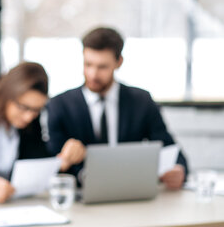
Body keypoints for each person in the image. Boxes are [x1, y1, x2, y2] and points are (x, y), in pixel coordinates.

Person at [46, 27, 188, 190]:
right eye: (88, 64)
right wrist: (65, 159)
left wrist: (178, 169)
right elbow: (51, 163)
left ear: (119, 62)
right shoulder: (60, 104)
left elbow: (169, 146)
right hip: (81, 195)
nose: (93, 74)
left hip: (130, 192)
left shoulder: (141, 101)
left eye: (102, 67)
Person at [0, 62, 86, 203]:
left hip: (13, 207)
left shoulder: (32, 123)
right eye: (23, 107)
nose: (29, 116)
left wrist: (63, 161)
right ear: (5, 96)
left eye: (36, 109)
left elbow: (36, 164)